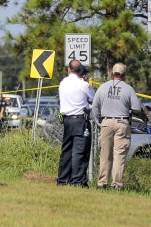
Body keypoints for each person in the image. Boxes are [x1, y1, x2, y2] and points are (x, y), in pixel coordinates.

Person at [92, 62, 141, 190]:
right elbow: (137, 108)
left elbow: (95, 107)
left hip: (106, 122)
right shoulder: (128, 89)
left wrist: (99, 121)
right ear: (124, 75)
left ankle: (102, 183)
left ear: (112, 73)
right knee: (119, 155)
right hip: (122, 123)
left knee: (105, 154)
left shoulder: (102, 87)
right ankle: (116, 185)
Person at [57, 59, 95, 187]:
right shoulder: (84, 85)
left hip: (66, 120)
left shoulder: (63, 83)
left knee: (66, 151)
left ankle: (63, 180)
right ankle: (77, 181)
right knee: (80, 151)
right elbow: (93, 100)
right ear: (80, 72)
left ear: (69, 70)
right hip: (80, 120)